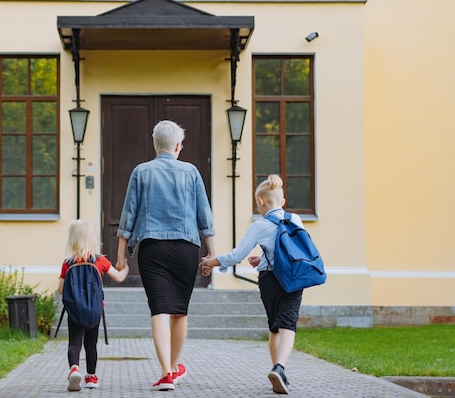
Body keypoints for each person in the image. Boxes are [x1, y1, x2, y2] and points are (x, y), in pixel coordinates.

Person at [116, 119, 216, 391]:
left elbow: (128, 216)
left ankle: (165, 373)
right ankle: (172, 367)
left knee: (159, 309)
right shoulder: (191, 172)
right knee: (179, 312)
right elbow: (204, 216)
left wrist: (121, 258)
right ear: (177, 145)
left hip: (152, 248)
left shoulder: (141, 171)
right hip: (186, 248)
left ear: (155, 144)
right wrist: (212, 255)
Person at [200, 174, 302, 395]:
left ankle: (277, 373)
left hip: (269, 280)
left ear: (261, 202)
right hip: (293, 278)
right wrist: (265, 257)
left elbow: (237, 255)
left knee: (275, 326)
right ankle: (280, 368)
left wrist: (211, 262)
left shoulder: (260, 226)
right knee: (288, 325)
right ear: (283, 202)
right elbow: (293, 252)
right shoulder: (295, 220)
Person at [57, 219, 129, 392]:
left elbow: (60, 290)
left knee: (74, 343)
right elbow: (118, 277)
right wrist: (125, 267)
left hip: (75, 311)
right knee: (91, 344)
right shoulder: (100, 261)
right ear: (92, 239)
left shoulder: (68, 263)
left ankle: (74, 368)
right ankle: (91, 376)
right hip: (94, 311)